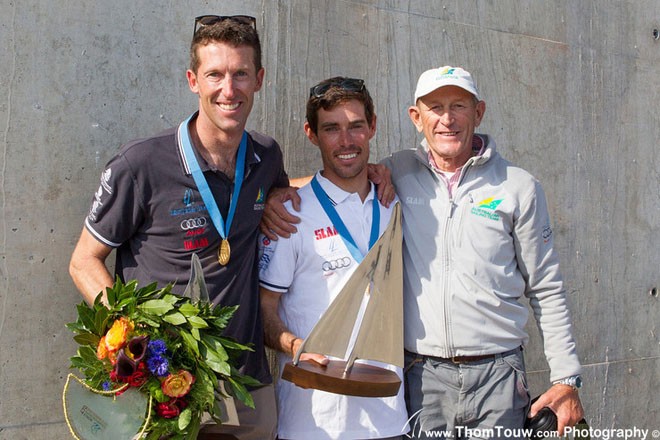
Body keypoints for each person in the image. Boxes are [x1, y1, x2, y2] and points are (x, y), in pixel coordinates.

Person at [260, 66, 585, 439]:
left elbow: (547, 285)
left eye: (458, 106)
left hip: (495, 377)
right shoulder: (398, 173)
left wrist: (566, 378)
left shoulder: (515, 187)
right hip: (419, 379)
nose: (447, 119)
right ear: (417, 118)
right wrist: (276, 195)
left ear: (478, 112)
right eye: (435, 107)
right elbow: (339, 176)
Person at [69, 15, 286, 439]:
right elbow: (83, 262)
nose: (229, 89)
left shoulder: (266, 157)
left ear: (259, 79)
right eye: (215, 75)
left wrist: (364, 173)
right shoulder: (141, 164)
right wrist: (134, 340)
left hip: (246, 385)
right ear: (192, 80)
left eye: (241, 74)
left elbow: (287, 195)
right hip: (162, 387)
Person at [258, 77, 409, 439]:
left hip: (390, 418)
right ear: (312, 134)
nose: (346, 141)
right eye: (332, 129)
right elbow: (264, 310)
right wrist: (295, 346)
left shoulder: (393, 204)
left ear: (373, 127)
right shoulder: (291, 214)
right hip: (313, 423)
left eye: (356, 126)